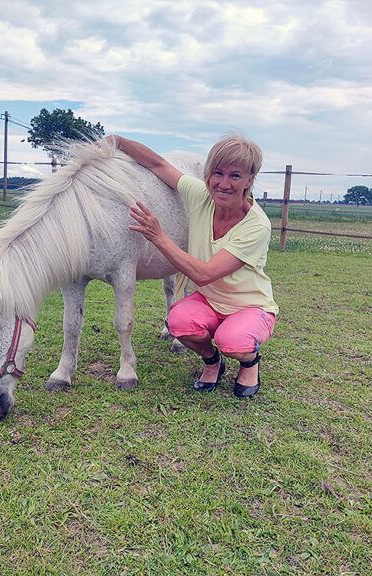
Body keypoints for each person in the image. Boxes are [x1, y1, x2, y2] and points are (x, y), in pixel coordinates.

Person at [109, 134, 279, 397]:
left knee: (232, 341)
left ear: (250, 179)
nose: (223, 184)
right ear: (208, 174)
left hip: (248, 305)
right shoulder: (201, 195)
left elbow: (205, 274)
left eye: (235, 176)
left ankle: (250, 362)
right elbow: (158, 165)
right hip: (211, 302)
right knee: (178, 322)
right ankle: (212, 361)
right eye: (217, 173)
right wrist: (118, 142)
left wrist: (159, 236)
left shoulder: (256, 226)